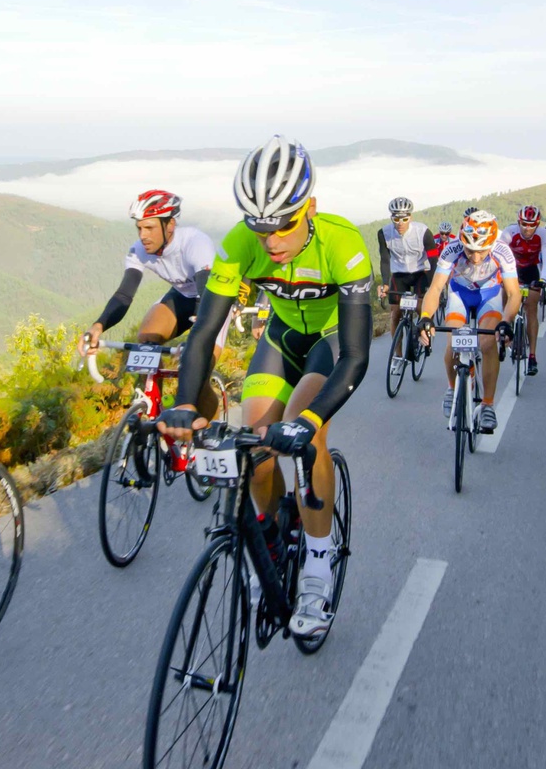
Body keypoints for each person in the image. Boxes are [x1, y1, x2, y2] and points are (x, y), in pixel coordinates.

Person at [159, 135, 371, 639]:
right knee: (256, 447)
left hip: (330, 343)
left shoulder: (343, 244)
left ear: (309, 208)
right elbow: (204, 333)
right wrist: (184, 404)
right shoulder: (238, 245)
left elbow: (356, 355)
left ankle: (317, 567)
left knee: (302, 430)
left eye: (283, 226)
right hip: (279, 340)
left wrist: (310, 421)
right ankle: (271, 539)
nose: (270, 241)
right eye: (259, 228)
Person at [79, 189, 220, 411]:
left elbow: (206, 296)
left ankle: (205, 424)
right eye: (139, 228)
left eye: (150, 228)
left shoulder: (195, 243)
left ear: (170, 225)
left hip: (212, 300)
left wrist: (195, 342)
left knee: (196, 367)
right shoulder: (139, 250)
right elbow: (124, 295)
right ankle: (153, 409)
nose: (143, 235)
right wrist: (98, 326)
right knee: (145, 344)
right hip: (182, 296)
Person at [420, 209, 522, 433]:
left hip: (489, 295)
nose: (475, 257)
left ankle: (487, 405)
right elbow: (435, 289)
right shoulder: (451, 249)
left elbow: (514, 293)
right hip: (460, 294)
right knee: (453, 342)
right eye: (470, 250)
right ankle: (452, 387)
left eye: (481, 251)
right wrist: (425, 317)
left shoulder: (503, 251)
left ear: (491, 243)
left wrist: (506, 320)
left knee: (487, 343)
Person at [375, 196, 436, 354]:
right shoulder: (384, 233)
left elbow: (433, 258)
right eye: (396, 219)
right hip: (399, 274)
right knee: (395, 313)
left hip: (420, 272)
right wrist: (385, 283)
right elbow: (385, 259)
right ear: (391, 218)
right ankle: (398, 355)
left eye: (404, 219)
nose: (400, 223)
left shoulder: (423, 232)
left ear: (411, 217)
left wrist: (433, 285)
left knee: (421, 306)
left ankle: (425, 333)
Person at [499, 205, 546, 376]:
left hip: (531, 271)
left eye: (531, 225)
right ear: (518, 222)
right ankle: (507, 326)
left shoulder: (543, 234)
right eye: (524, 224)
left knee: (531, 310)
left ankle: (532, 356)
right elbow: (498, 256)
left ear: (538, 224)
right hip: (512, 270)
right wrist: (498, 276)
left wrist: (543, 280)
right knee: (505, 296)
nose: (527, 228)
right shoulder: (509, 232)